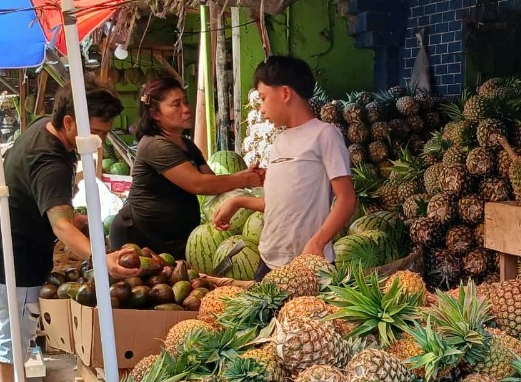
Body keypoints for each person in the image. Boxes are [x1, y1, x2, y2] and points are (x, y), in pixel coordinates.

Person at [0, 79, 137, 382]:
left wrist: (69, 217)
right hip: (17, 259)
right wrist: (103, 260)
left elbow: (53, 210)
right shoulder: (51, 162)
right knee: (13, 343)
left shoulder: (44, 127)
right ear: (69, 122)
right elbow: (61, 225)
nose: (101, 141)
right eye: (96, 131)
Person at [211, 56, 356, 278]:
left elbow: (346, 200)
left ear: (285, 93)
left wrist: (317, 243)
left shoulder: (325, 135)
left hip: (308, 265)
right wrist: (237, 201)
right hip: (268, 262)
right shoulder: (280, 141)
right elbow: (278, 205)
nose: (261, 109)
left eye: (263, 98)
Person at [109, 76, 264, 259]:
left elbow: (211, 181)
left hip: (171, 239)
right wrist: (245, 179)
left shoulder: (186, 145)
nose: (186, 109)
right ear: (155, 113)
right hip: (139, 236)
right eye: (176, 105)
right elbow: (198, 184)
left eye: (186, 102)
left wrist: (246, 175)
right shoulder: (154, 145)